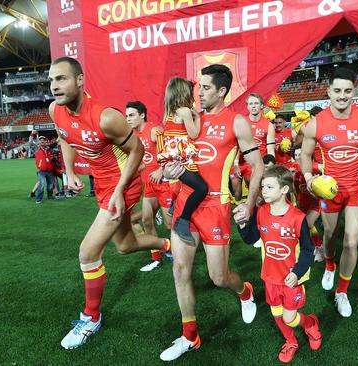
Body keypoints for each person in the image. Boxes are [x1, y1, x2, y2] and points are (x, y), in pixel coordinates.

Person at [47, 56, 171, 350]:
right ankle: (170, 246)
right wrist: (69, 171)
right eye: (51, 80)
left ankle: (91, 317)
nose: (54, 86)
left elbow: (137, 149)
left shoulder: (105, 116)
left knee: (88, 252)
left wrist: (119, 189)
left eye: (61, 79)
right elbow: (64, 137)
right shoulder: (56, 110)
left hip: (121, 186)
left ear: (79, 80)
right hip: (103, 186)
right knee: (125, 245)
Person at [159, 64, 264, 362]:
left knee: (219, 278)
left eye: (205, 88)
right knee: (180, 270)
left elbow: (257, 165)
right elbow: (174, 156)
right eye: (198, 87)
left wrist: (249, 202)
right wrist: (169, 170)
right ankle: (190, 336)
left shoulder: (237, 122)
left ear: (221, 91)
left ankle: (244, 291)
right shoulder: (190, 118)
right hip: (186, 204)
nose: (199, 92)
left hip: (216, 208)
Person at [300, 67, 358, 317]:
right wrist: (309, 178)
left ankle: (342, 291)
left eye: (347, 91)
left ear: (354, 91)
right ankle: (329, 264)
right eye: (337, 91)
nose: (342, 96)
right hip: (330, 191)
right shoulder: (316, 123)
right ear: (328, 91)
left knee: (351, 240)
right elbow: (306, 155)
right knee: (330, 232)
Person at [237, 165, 322, 363]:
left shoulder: (298, 218)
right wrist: (242, 225)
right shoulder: (261, 212)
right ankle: (291, 341)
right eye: (262, 187)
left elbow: (308, 250)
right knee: (277, 313)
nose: (263, 191)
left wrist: (298, 272)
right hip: (270, 277)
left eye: (269, 187)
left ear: (284, 189)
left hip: (292, 278)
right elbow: (252, 239)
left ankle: (310, 323)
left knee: (289, 317)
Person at [156, 77, 208, 245]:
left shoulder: (168, 114)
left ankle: (174, 206)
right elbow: (193, 134)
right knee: (202, 187)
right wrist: (198, 118)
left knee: (190, 185)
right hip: (182, 160)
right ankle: (183, 220)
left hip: (174, 159)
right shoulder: (185, 111)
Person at [126, 100, 176, 272]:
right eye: (126, 116)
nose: (128, 119)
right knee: (147, 220)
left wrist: (161, 169)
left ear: (142, 115)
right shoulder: (133, 136)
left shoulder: (155, 131)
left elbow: (171, 151)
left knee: (170, 225)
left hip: (164, 184)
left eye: (131, 115)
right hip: (150, 185)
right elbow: (143, 160)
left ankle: (180, 252)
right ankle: (156, 258)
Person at [34, 136, 54, 203]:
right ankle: (39, 199)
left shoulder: (48, 149)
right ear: (38, 142)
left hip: (49, 170)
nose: (42, 141)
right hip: (41, 171)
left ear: (46, 142)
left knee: (50, 185)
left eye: (44, 140)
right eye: (41, 140)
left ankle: (50, 196)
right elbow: (30, 141)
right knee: (41, 185)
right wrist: (32, 134)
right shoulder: (36, 148)